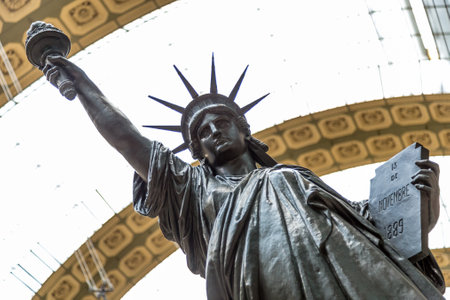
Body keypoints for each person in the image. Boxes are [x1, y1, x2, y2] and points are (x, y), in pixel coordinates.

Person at [43, 55, 445, 299]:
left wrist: (419, 202)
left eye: (222, 122)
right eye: (202, 131)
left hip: (347, 279)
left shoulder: (293, 177)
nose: (213, 131)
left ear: (244, 130)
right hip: (264, 287)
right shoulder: (191, 189)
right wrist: (79, 83)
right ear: (197, 151)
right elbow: (127, 140)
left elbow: (368, 230)